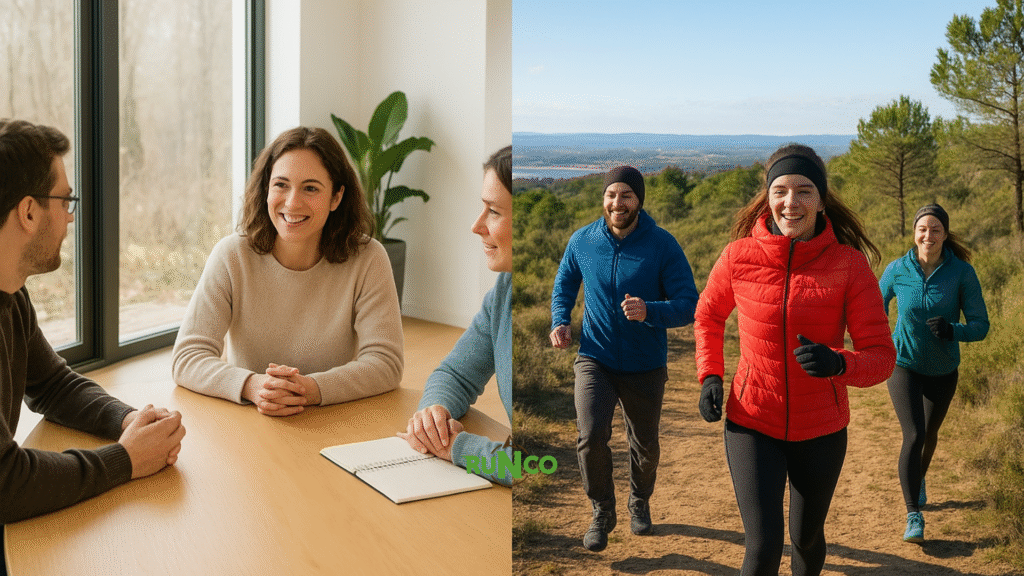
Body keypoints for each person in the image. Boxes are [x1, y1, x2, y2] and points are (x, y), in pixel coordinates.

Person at [694, 144, 896, 576]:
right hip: (752, 419)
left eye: (804, 191)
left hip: (820, 427)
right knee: (763, 544)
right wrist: (710, 374)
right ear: (767, 198)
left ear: (821, 200)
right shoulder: (738, 257)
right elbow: (708, 316)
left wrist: (840, 364)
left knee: (806, 537)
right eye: (781, 190)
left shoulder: (849, 265)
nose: (791, 202)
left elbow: (882, 356)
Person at [0, 119, 186, 565]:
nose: (69, 217)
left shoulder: (12, 292)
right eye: (65, 201)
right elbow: (6, 482)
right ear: (28, 212)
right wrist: (124, 461)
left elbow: (53, 385)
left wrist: (128, 422)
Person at [172, 127, 403, 414]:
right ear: (266, 189)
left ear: (336, 197)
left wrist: (309, 390)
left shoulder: (369, 259)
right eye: (281, 185)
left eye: (310, 188)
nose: (292, 203)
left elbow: (385, 363)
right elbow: (187, 357)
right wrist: (253, 386)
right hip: (248, 419)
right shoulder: (232, 255)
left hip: (332, 418)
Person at [550, 165, 699, 552]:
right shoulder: (583, 241)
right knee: (589, 438)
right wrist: (560, 320)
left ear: (639, 201)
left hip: (645, 364)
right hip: (594, 358)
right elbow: (565, 282)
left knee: (644, 444)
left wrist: (650, 311)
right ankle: (602, 510)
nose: (618, 203)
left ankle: (639, 501)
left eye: (626, 196)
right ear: (604, 199)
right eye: (611, 195)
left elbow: (689, 305)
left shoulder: (662, 245)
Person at [398, 145, 513, 485]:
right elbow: (455, 375)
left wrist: (458, 447)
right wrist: (433, 415)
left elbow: (546, 461)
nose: (477, 226)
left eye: (493, 211)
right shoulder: (507, 289)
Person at [879, 203, 988, 543]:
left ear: (944, 234)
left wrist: (953, 330)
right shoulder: (898, 270)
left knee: (928, 435)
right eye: (922, 229)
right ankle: (914, 515)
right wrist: (880, 341)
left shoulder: (962, 273)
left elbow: (981, 325)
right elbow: (873, 307)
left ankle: (919, 476)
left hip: (943, 370)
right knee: (913, 434)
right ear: (914, 233)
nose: (928, 235)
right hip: (903, 364)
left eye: (935, 229)